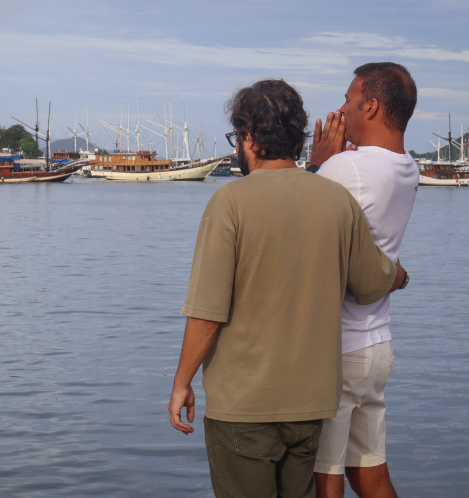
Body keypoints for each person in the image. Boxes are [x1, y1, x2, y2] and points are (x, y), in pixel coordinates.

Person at [168, 79, 407, 497]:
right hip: (310, 406)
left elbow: (207, 310)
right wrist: (402, 276)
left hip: (243, 407)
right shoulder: (337, 200)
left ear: (249, 137)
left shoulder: (230, 203)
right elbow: (372, 283)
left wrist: (181, 382)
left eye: (237, 136)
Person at [307, 62, 419, 498]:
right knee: (369, 472)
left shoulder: (346, 169)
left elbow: (298, 222)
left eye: (348, 101)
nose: (341, 111)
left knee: (326, 476)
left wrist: (318, 165)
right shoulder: (405, 167)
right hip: (376, 345)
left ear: (370, 106)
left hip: (339, 349)